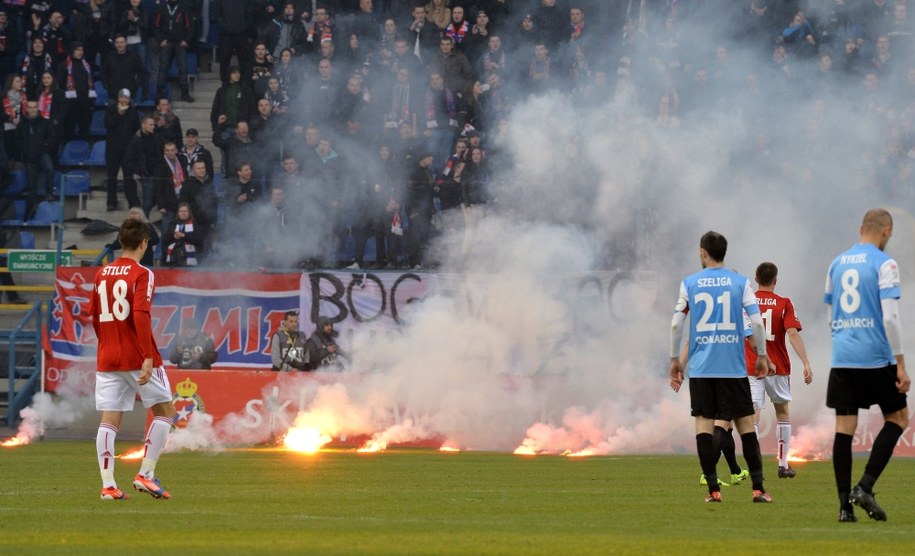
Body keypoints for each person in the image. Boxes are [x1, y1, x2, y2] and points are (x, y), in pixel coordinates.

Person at [669, 231, 773, 504]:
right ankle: (759, 489)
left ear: (703, 252)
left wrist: (674, 361)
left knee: (704, 426)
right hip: (733, 369)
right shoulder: (740, 283)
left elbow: (678, 325)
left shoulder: (690, 283)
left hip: (702, 370)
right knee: (746, 427)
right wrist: (762, 354)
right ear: (724, 252)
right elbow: (757, 323)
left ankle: (713, 491)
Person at [824, 208, 911, 522]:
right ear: (886, 231)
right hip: (875, 356)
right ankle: (865, 486)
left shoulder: (836, 263)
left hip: (843, 357)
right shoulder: (884, 263)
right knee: (899, 417)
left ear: (861, 228)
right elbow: (889, 316)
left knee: (844, 429)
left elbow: (832, 316)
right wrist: (900, 364)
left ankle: (844, 509)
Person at [90, 217, 177, 500]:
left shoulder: (102, 273)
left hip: (108, 355)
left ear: (119, 241)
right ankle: (146, 475)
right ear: (144, 243)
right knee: (165, 412)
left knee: (109, 420)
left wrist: (106, 344)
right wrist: (147, 356)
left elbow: (93, 315)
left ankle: (108, 485)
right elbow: (140, 314)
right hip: (137, 355)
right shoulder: (143, 273)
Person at [744, 261, 813, 479]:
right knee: (782, 413)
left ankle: (756, 468)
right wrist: (806, 363)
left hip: (752, 366)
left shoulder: (746, 302)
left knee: (753, 417)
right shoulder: (784, 303)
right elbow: (793, 334)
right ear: (775, 280)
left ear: (756, 278)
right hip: (778, 367)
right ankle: (783, 465)